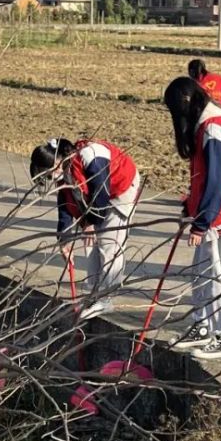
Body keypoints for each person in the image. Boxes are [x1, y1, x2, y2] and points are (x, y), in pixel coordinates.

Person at [165, 77, 221, 361]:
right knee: (200, 272)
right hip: (211, 212)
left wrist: (203, 223)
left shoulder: (214, 129)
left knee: (215, 274)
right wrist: (190, 209)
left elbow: (218, 180)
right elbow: (201, 178)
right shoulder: (205, 126)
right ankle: (202, 326)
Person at [30, 137, 141, 320]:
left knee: (109, 241)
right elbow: (65, 201)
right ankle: (93, 295)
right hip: (100, 194)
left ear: (58, 162)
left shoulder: (92, 157)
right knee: (90, 242)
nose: (49, 177)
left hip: (121, 187)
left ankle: (106, 298)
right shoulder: (65, 169)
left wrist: (90, 222)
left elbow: (101, 194)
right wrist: (64, 239)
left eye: (48, 172)